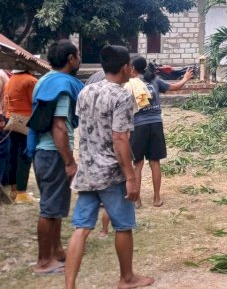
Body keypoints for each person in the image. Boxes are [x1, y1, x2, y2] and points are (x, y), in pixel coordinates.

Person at [65, 45, 154, 289]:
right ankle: (127, 278)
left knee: (81, 228)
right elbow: (119, 138)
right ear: (126, 67)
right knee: (123, 226)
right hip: (112, 173)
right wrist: (130, 177)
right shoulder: (121, 95)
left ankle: (69, 285)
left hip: (88, 170)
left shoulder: (86, 91)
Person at [27, 40, 83, 275]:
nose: (79, 59)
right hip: (53, 153)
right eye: (78, 55)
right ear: (70, 58)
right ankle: (43, 261)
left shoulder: (44, 80)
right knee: (50, 208)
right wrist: (69, 161)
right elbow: (59, 126)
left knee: (56, 204)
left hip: (43, 151)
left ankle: (57, 250)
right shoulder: (61, 85)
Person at [129, 56, 192, 208]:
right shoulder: (155, 80)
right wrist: (185, 78)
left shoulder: (131, 83)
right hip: (156, 123)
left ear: (132, 68)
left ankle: (137, 200)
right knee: (155, 162)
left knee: (137, 163)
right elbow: (175, 87)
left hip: (139, 125)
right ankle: (157, 198)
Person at [4, 67, 38, 202]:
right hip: (26, 122)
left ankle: (14, 189)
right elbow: (35, 102)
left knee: (13, 156)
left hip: (12, 121)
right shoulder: (30, 81)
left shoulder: (11, 79)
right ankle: (22, 192)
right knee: (25, 156)